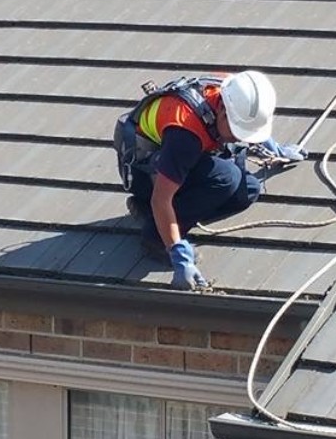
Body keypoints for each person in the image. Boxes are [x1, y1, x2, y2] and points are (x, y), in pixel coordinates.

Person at [113, 71, 305, 291]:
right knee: (227, 178)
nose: (241, 139)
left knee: (247, 190)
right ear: (222, 111)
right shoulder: (184, 133)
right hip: (147, 172)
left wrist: (273, 146)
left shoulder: (233, 90)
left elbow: (249, 116)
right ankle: (156, 236)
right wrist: (176, 252)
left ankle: (150, 215)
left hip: (177, 158)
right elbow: (161, 198)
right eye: (238, 131)